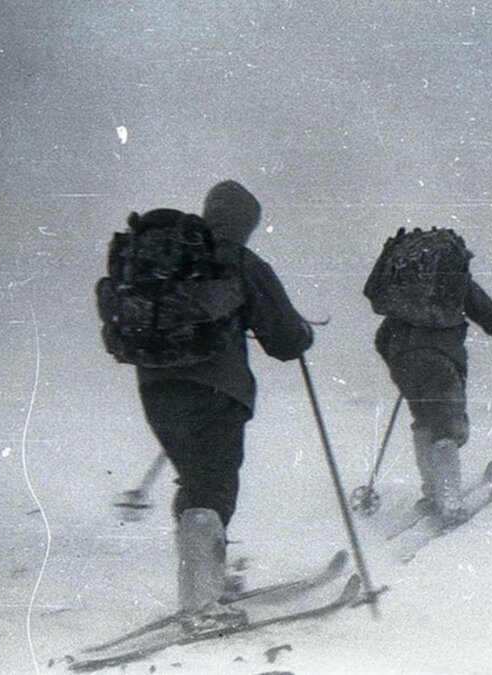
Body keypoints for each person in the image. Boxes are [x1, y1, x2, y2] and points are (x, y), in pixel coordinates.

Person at [125, 181, 314, 632]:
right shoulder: (240, 260)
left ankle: (204, 584)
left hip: (155, 385)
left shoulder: (166, 254)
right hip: (217, 391)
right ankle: (203, 606)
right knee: (212, 487)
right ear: (247, 223)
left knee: (195, 481)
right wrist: (304, 333)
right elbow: (286, 339)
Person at [368, 229, 492, 525]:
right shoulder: (455, 281)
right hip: (441, 360)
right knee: (446, 426)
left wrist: (399, 359)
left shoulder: (402, 289)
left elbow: (381, 337)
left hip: (402, 360)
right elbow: (489, 316)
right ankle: (449, 500)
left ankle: (433, 492)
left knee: (424, 421)